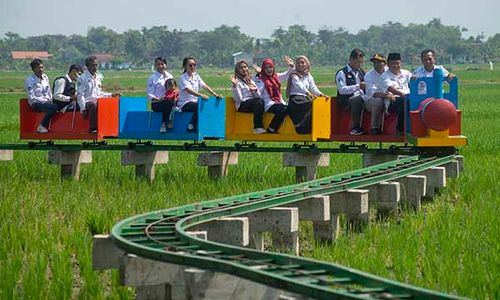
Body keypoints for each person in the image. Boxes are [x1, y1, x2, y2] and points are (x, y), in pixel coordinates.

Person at [77, 56, 120, 133]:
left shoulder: (98, 77)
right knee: (93, 104)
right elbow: (80, 95)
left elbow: (99, 93)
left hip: (97, 99)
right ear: (87, 66)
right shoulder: (82, 78)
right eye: (92, 65)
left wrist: (111, 95)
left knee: (112, 102)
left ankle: (111, 128)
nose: (95, 67)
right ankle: (93, 128)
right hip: (88, 101)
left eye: (96, 65)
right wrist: (83, 108)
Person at [178, 56, 222, 131]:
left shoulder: (196, 76)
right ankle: (191, 124)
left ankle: (210, 129)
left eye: (194, 65)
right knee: (200, 106)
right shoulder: (182, 78)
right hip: (185, 103)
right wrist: (201, 95)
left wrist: (215, 94)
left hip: (195, 101)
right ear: (185, 66)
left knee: (207, 105)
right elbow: (188, 90)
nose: (193, 67)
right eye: (190, 65)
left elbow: (204, 85)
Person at [255, 57, 294, 133]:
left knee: (291, 107)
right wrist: (254, 90)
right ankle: (271, 128)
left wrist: (291, 66)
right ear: (263, 69)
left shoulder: (276, 76)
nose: (269, 69)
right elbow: (258, 94)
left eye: (270, 67)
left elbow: (287, 74)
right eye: (266, 68)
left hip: (278, 102)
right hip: (268, 104)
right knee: (283, 108)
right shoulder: (261, 80)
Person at [286, 55, 324, 134]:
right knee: (311, 104)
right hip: (295, 99)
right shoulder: (294, 74)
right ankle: (300, 126)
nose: (300, 65)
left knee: (316, 104)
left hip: (304, 98)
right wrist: (308, 93)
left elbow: (313, 87)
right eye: (298, 63)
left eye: (302, 62)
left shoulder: (308, 76)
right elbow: (298, 85)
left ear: (307, 64)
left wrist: (321, 95)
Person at [335, 49, 366, 135]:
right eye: (358, 62)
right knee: (357, 100)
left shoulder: (361, 72)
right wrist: (358, 86)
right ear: (351, 59)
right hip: (346, 101)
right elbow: (342, 90)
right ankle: (354, 128)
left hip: (362, 98)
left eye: (362, 62)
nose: (360, 64)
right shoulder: (342, 73)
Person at [229, 60, 265, 134]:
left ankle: (260, 126)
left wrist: (255, 90)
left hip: (252, 103)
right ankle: (257, 127)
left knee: (261, 101)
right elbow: (238, 99)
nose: (244, 69)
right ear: (238, 70)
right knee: (258, 101)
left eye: (245, 67)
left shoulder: (250, 80)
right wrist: (235, 86)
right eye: (241, 68)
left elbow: (258, 96)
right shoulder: (236, 81)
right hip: (242, 104)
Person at [363, 53, 396, 134]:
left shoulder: (390, 72)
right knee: (378, 101)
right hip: (371, 100)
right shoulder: (369, 75)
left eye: (379, 62)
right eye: (374, 62)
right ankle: (375, 127)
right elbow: (373, 93)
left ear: (385, 63)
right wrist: (387, 96)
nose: (376, 64)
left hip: (389, 97)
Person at [380, 52, 412, 135]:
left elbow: (414, 84)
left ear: (401, 63)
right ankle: (400, 129)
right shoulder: (384, 76)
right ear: (388, 64)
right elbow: (391, 89)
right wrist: (404, 95)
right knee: (403, 100)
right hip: (393, 102)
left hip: (409, 98)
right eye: (392, 64)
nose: (395, 66)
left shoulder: (407, 73)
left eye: (397, 63)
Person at [24, 59, 55, 133]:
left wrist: (51, 100)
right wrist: (45, 100)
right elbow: (32, 98)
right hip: (36, 103)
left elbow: (48, 91)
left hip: (47, 102)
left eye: (42, 67)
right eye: (38, 68)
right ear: (33, 69)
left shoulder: (45, 77)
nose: (41, 70)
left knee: (57, 106)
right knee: (53, 107)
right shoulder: (29, 80)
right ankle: (42, 126)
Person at [147, 57, 175, 132]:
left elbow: (174, 88)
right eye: (158, 64)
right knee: (169, 104)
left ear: (166, 65)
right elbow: (149, 95)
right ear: (155, 66)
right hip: (157, 103)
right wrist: (159, 99)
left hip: (169, 100)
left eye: (162, 64)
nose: (160, 66)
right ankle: (164, 123)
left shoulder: (170, 76)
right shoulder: (152, 78)